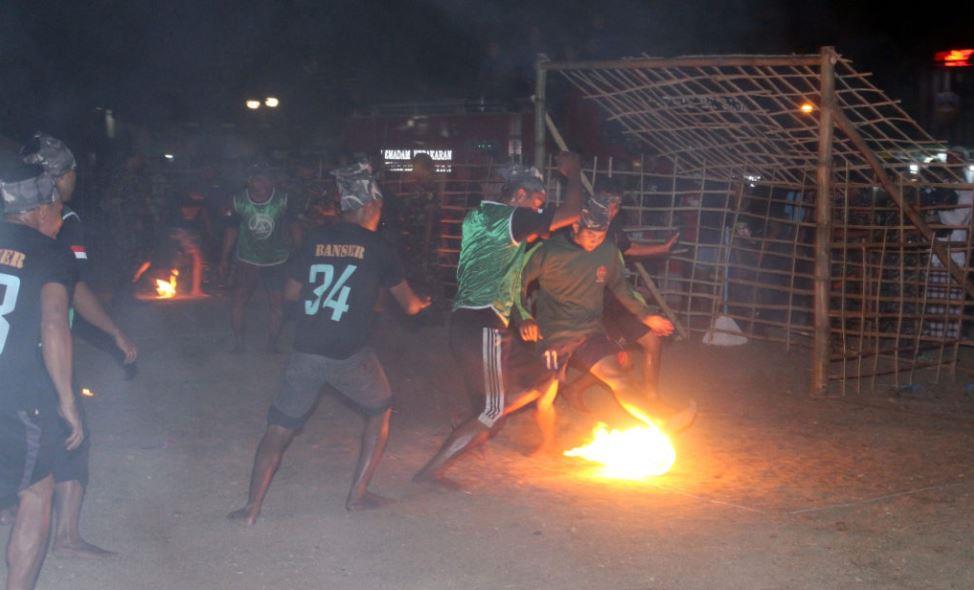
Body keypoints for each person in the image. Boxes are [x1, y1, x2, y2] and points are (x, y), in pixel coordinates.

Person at [228, 161, 430, 524]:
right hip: (349, 353)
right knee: (380, 410)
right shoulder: (379, 246)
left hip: (306, 348)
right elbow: (411, 306)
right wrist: (422, 303)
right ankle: (357, 496)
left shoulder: (316, 238)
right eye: (379, 207)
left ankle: (251, 508)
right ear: (369, 207)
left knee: (278, 429)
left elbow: (291, 292)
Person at [413, 152, 584, 485]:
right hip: (484, 325)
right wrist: (574, 173)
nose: (538, 210)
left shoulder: (479, 215)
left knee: (507, 395)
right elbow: (573, 212)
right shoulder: (512, 218)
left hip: (465, 322)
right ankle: (433, 470)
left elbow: (505, 264)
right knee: (492, 410)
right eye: (536, 201)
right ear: (518, 195)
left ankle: (472, 436)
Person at [18, 133, 137, 558]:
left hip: (10, 349)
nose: (75, 178)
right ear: (59, 176)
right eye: (71, 171)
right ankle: (64, 535)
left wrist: (111, 329)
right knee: (71, 434)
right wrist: (111, 330)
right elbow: (71, 292)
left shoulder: (11, 217)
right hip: (37, 350)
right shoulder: (61, 220)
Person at [516, 194, 696, 434]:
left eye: (600, 237)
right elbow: (516, 283)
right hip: (553, 335)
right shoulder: (548, 250)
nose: (595, 242)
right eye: (591, 235)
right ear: (576, 225)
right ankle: (511, 424)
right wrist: (524, 317)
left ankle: (659, 422)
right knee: (541, 397)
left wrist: (644, 315)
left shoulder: (608, 251)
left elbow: (622, 287)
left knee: (617, 378)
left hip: (590, 332)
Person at [0, 162, 84, 590]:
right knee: (36, 491)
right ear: (40, 208)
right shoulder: (52, 254)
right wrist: (67, 400)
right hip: (15, 396)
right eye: (56, 207)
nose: (59, 217)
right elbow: (55, 322)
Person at [559, 178, 678, 409]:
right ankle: (572, 388)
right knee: (617, 358)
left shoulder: (613, 230)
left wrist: (661, 249)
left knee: (653, 341)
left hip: (616, 301)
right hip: (592, 306)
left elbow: (629, 248)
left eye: (616, 205)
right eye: (607, 203)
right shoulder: (577, 228)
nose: (612, 210)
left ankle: (652, 398)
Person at [220, 160, 291, 353]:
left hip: (276, 260)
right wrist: (224, 258)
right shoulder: (238, 200)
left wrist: (298, 255)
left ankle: (271, 345)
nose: (260, 183)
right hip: (247, 260)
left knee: (277, 304)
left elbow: (293, 228)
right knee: (239, 300)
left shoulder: (283, 200)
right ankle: (239, 343)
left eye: (264, 179)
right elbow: (231, 230)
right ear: (249, 181)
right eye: (256, 179)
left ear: (271, 181)